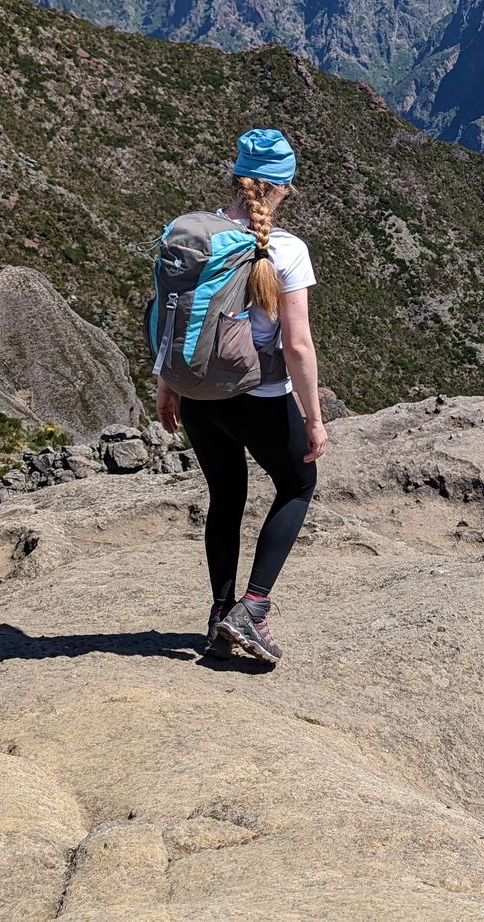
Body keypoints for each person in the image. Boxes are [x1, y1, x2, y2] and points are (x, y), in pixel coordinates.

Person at [156, 127, 329, 664]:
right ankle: (252, 611)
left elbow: (175, 317)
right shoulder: (285, 249)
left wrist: (168, 385)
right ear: (283, 189)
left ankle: (218, 615)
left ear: (236, 178)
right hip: (258, 394)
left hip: (201, 395)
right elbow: (297, 346)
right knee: (299, 483)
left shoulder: (195, 234)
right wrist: (314, 417)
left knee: (226, 497)